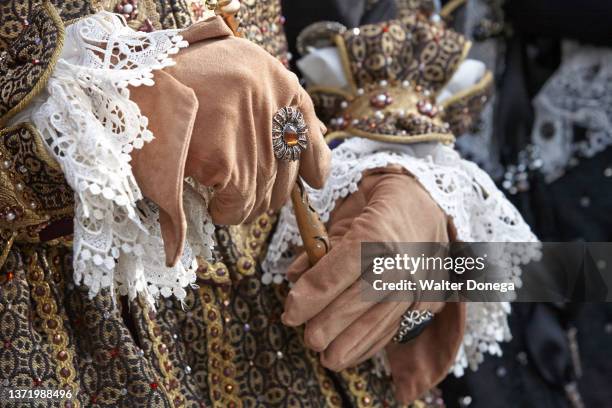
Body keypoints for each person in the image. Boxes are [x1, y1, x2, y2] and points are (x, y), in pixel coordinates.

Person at [0, 1, 536, 406]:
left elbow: (378, 26)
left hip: (283, 300)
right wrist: (106, 95)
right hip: (42, 321)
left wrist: (402, 166)